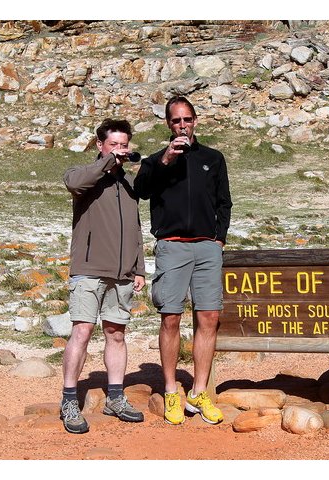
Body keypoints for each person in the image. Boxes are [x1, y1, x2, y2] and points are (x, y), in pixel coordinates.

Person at [134, 96, 232, 425]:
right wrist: (166, 159)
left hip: (206, 247)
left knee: (208, 319)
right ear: (168, 124)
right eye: (176, 121)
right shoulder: (154, 162)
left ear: (195, 121)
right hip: (172, 246)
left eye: (187, 119)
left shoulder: (213, 158)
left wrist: (218, 238)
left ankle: (199, 391)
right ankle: (171, 390)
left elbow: (224, 202)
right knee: (171, 318)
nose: (182, 126)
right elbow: (142, 190)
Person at [60, 118, 146, 434]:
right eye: (114, 145)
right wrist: (108, 163)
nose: (120, 151)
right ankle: (69, 399)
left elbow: (135, 227)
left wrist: (139, 267)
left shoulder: (128, 184)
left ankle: (115, 397)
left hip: (122, 272)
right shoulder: (84, 175)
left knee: (116, 334)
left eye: (124, 145)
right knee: (82, 331)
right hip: (88, 269)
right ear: (100, 145)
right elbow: (73, 183)